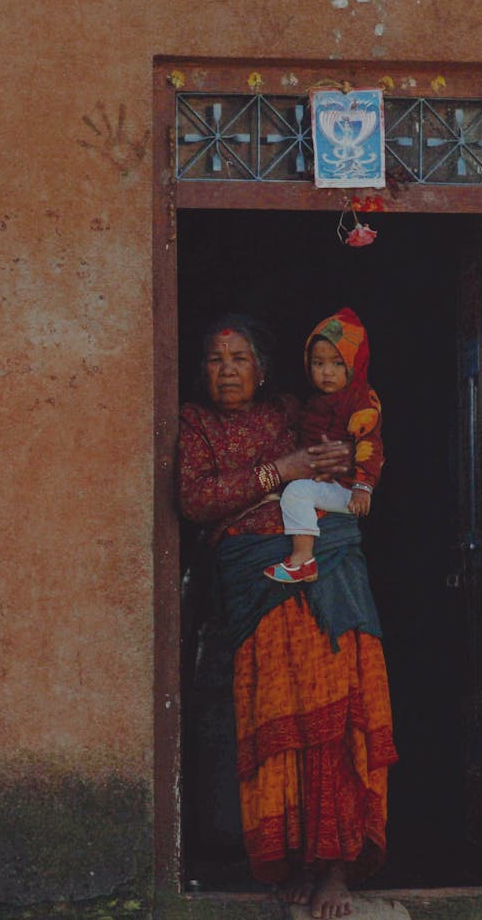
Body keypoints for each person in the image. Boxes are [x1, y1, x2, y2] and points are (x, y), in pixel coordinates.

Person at [177, 313, 398, 919]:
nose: (227, 369)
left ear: (264, 369)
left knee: (338, 712)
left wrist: (333, 461)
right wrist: (282, 472)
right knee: (280, 715)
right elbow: (197, 499)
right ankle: (299, 860)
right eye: (217, 359)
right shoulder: (195, 424)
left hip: (329, 566)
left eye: (240, 358)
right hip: (257, 579)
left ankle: (335, 868)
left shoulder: (291, 414)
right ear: (202, 371)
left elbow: (343, 459)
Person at [264, 307, 384, 584]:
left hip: (348, 490)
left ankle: (302, 560)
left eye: (338, 363)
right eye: (318, 363)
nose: (327, 372)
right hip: (330, 487)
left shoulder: (361, 400)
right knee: (295, 491)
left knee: (296, 493)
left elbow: (370, 443)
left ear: (355, 363)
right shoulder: (315, 403)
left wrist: (363, 486)